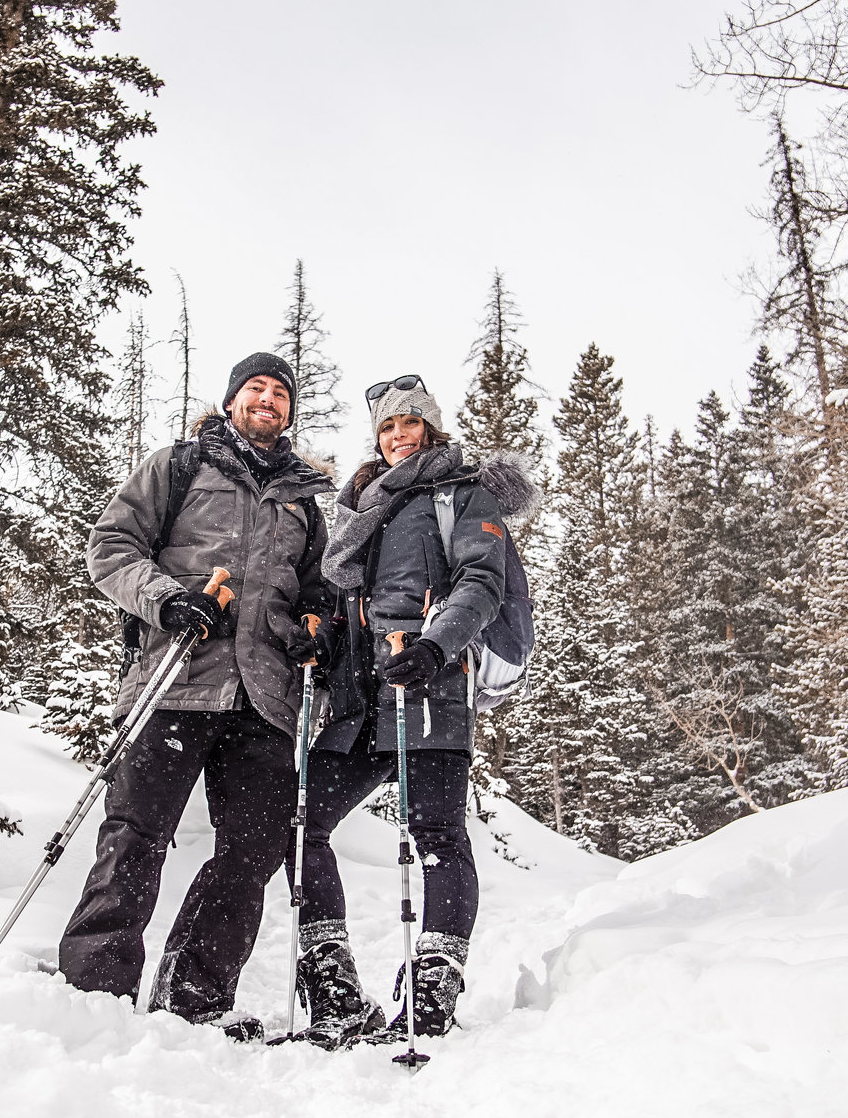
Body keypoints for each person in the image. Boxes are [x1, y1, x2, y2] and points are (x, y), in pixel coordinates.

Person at [57, 352, 335, 1031]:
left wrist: (315, 627)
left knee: (253, 852)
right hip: (175, 679)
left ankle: (195, 1002)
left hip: (264, 699)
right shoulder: (179, 465)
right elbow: (112, 548)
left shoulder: (303, 499)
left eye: (280, 393)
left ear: (291, 411)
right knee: (135, 835)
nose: (267, 400)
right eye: (255, 389)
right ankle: (95, 993)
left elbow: (319, 588)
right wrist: (168, 600)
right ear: (233, 398)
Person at [291, 374, 538, 1046]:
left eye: (410, 424)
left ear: (430, 428)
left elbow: (482, 581)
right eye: (387, 427)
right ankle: (334, 989)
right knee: (301, 823)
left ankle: (431, 994)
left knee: (436, 837)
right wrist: (320, 636)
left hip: (428, 687)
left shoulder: (463, 491)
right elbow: (349, 599)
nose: (398, 435)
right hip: (356, 697)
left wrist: (434, 647)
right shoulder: (360, 504)